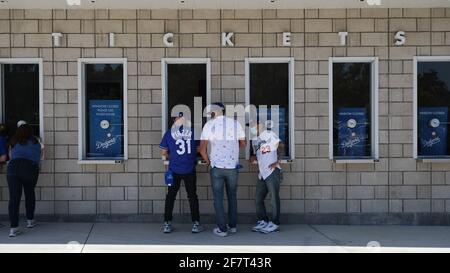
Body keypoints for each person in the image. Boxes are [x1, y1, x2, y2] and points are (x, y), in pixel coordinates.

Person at [199, 103, 246, 237]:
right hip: (232, 166)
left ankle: (222, 229)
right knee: (232, 197)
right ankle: (232, 226)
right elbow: (243, 144)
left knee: (218, 199)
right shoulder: (235, 124)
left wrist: (209, 162)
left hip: (217, 167)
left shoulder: (209, 125)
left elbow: (202, 150)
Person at [159, 112, 204, 234]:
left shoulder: (169, 133)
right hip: (189, 168)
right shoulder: (193, 131)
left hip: (174, 169)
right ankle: (196, 223)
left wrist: (172, 155)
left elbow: (163, 152)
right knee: (192, 196)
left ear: (175, 120)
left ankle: (167, 223)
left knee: (170, 196)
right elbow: (200, 148)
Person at [7, 120, 43, 237]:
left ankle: (14, 228)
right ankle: (30, 220)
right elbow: (39, 157)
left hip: (13, 169)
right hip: (29, 168)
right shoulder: (36, 142)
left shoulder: (13, 142)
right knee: (29, 194)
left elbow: (11, 157)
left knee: (14, 199)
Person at [249, 119, 282, 234]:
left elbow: (281, 146)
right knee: (258, 198)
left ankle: (275, 223)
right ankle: (263, 220)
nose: (252, 128)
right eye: (251, 126)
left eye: (254, 125)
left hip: (272, 171)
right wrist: (252, 158)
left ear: (260, 125)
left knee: (273, 198)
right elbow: (256, 155)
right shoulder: (254, 140)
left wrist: (278, 161)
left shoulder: (269, 134)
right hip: (262, 173)